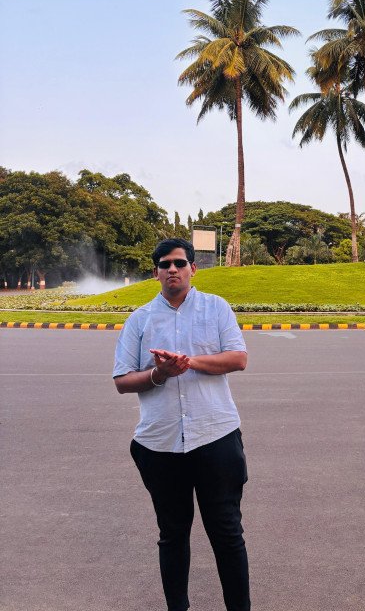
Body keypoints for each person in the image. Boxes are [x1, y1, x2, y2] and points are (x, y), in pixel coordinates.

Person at [113, 238, 250, 611]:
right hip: (160, 444)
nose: (171, 269)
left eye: (178, 263)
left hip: (215, 437)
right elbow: (122, 381)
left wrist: (187, 363)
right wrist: (159, 374)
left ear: (193, 268)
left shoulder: (215, 308)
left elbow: (238, 358)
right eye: (164, 264)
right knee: (172, 535)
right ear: (155, 273)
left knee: (227, 534)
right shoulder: (140, 320)